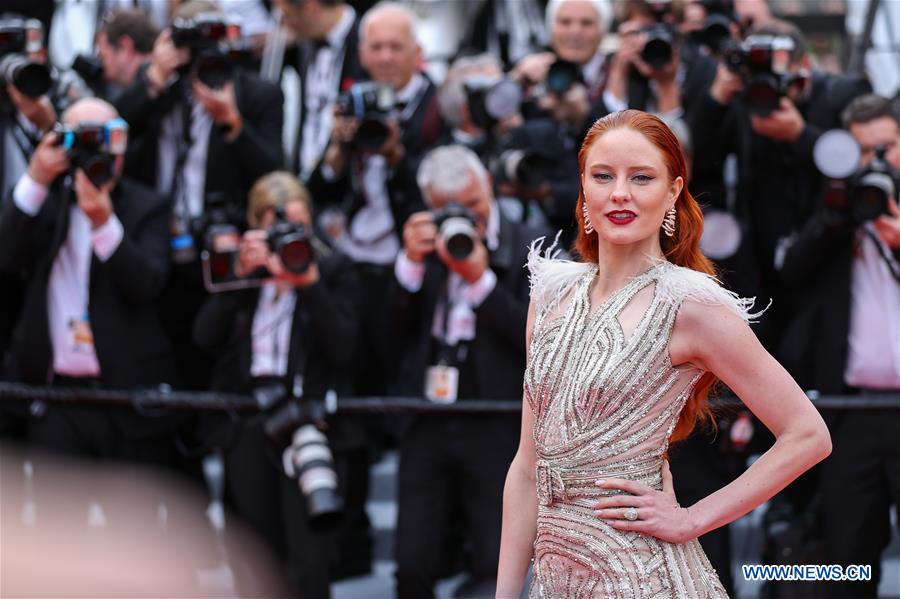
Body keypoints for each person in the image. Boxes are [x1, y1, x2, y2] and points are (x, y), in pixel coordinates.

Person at [496, 109, 832, 598]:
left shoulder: (692, 305)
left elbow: (808, 435)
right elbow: (527, 467)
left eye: (642, 178)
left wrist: (690, 520)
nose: (620, 194)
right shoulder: (549, 294)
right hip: (555, 578)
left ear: (674, 191)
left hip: (640, 576)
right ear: (583, 187)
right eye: (603, 176)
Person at [388, 144, 548, 598]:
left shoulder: (529, 245)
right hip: (426, 414)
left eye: (476, 205)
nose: (469, 219)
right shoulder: (426, 244)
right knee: (412, 560)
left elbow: (538, 341)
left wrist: (480, 280)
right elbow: (386, 336)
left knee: (494, 558)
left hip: (497, 417)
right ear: (431, 207)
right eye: (452, 209)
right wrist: (410, 265)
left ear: (490, 189)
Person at [192, 171, 360, 598]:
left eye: (298, 228)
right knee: (255, 555)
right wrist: (237, 279)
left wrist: (309, 286)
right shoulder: (246, 275)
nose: (287, 238)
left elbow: (344, 348)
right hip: (250, 420)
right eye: (276, 229)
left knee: (309, 560)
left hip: (310, 421)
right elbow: (203, 339)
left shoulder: (333, 266)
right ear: (255, 227)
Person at [0, 97, 179, 463]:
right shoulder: (46, 200)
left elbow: (148, 284)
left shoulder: (148, 206)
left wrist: (103, 223)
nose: (96, 150)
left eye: (105, 138)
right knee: (56, 518)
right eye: (84, 138)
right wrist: (36, 178)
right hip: (55, 398)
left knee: (130, 517)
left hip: (126, 398)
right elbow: (5, 257)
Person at [775, 93, 900, 598]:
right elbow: (791, 271)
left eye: (886, 149)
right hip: (851, 413)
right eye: (861, 153)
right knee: (849, 558)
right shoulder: (839, 214)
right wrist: (837, 216)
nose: (874, 164)